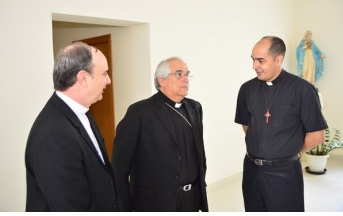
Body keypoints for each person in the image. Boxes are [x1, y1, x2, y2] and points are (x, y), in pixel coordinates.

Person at [235, 36, 328, 212]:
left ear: (278, 59)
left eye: (260, 60)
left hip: (285, 172)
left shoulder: (303, 89)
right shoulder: (246, 89)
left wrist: (287, 153)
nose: (254, 65)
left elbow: (317, 136)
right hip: (251, 170)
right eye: (253, 59)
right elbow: (247, 126)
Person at [25, 42, 117, 211]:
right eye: (104, 73)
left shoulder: (83, 113)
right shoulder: (53, 135)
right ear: (83, 78)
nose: (109, 80)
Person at [112, 57, 208, 212]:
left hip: (192, 199)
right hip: (156, 203)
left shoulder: (195, 107)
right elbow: (119, 168)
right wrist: (125, 210)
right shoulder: (140, 112)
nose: (186, 79)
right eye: (178, 74)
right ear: (161, 80)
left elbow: (199, 153)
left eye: (187, 74)